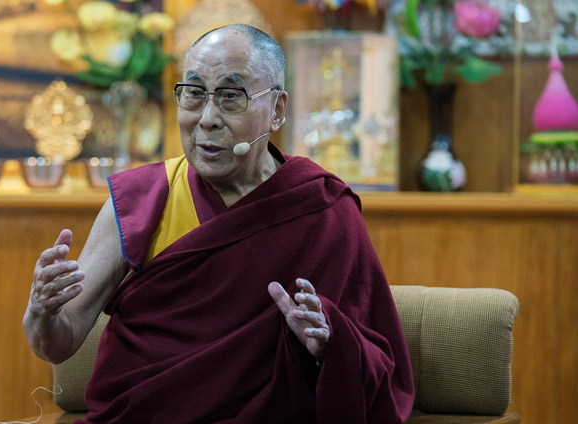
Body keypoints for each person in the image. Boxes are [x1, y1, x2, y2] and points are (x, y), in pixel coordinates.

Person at [24, 24, 414, 423]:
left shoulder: (322, 209)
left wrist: (329, 345)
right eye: (193, 94)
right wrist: (42, 311)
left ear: (277, 109)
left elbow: (381, 363)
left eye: (231, 97)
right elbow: (60, 341)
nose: (207, 119)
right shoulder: (143, 198)